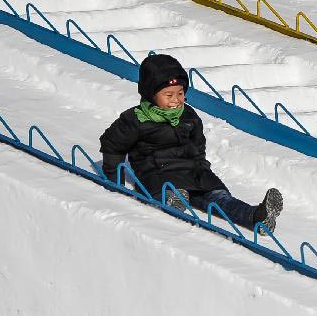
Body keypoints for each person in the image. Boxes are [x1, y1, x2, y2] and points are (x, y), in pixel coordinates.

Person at [99, 54, 283, 232]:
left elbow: (198, 146)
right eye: (168, 95)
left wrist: (202, 169)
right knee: (169, 189)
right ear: (151, 95)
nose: (175, 100)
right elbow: (112, 145)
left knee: (220, 197)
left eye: (180, 93)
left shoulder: (188, 116)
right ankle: (171, 200)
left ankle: (256, 217)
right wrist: (115, 182)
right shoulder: (136, 119)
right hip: (157, 173)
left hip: (193, 173)